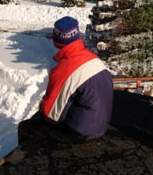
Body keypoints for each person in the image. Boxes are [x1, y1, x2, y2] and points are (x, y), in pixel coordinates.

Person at [18, 16, 113, 145]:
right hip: (101, 123)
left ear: (56, 38)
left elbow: (52, 115)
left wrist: (43, 106)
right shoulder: (92, 58)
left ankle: (28, 161)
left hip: (83, 132)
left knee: (26, 127)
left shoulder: (65, 70)